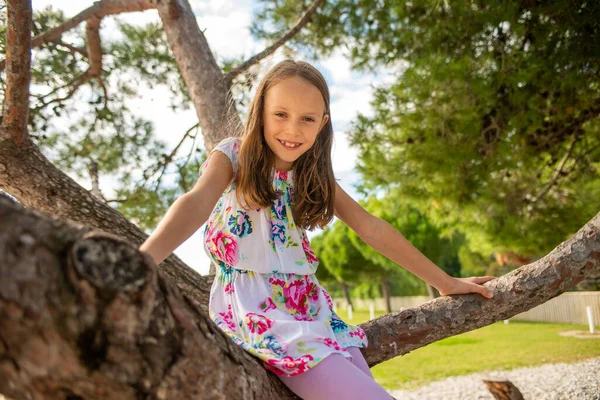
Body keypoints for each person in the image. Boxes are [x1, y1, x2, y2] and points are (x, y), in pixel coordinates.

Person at [139, 59, 495, 399]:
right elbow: (195, 203)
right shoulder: (233, 157)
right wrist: (139, 261)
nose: (292, 130)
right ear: (260, 110)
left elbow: (371, 228)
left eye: (307, 119)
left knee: (362, 385)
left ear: (323, 122)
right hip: (254, 309)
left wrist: (445, 282)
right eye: (280, 114)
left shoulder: (314, 177)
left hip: (311, 309)